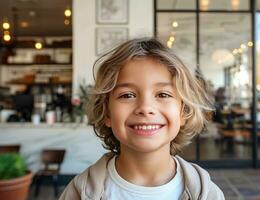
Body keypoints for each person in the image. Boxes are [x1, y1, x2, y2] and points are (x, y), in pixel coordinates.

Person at [59, 38, 225, 200]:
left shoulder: (208, 194)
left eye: (163, 94)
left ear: (184, 112)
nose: (145, 108)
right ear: (107, 113)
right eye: (127, 95)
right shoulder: (78, 193)